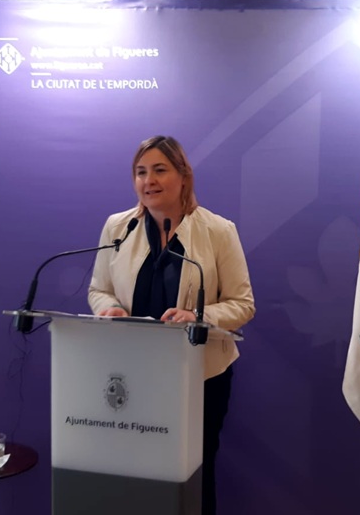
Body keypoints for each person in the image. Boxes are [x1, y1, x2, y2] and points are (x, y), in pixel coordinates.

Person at [88, 135, 255, 515]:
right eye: (140, 172)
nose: (149, 181)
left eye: (159, 170)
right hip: (133, 374)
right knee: (138, 471)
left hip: (200, 376)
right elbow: (99, 288)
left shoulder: (217, 230)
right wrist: (109, 308)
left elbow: (243, 304)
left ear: (183, 175)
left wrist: (199, 316)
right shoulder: (118, 227)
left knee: (193, 473)